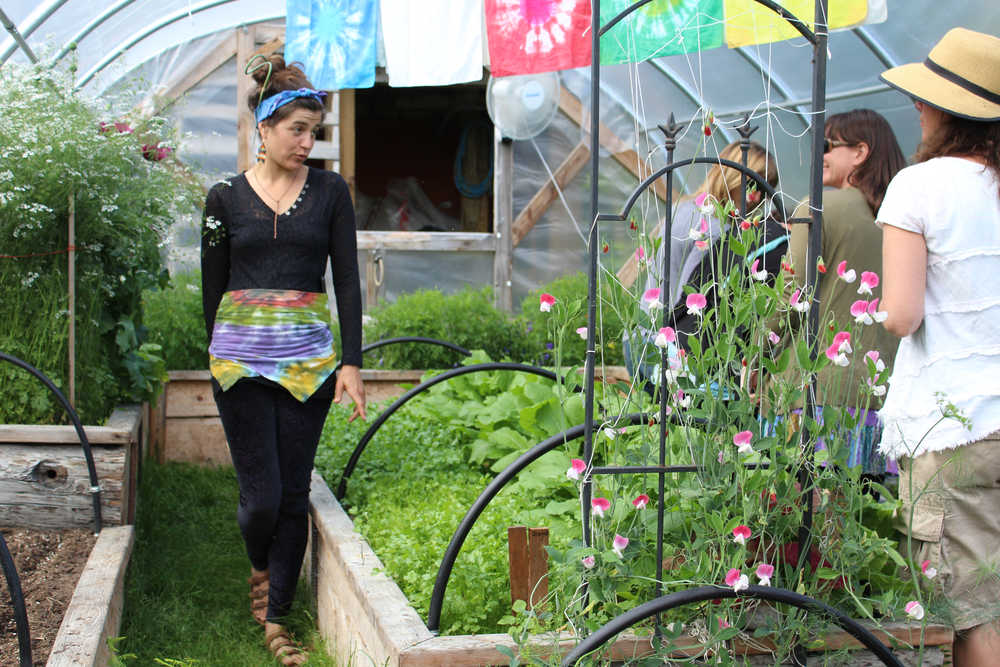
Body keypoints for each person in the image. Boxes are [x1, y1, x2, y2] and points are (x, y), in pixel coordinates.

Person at [201, 54, 366, 665]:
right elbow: (210, 286)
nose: (307, 141)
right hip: (240, 367)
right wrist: (216, 357)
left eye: (314, 131)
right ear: (264, 129)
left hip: (308, 367)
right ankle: (259, 565)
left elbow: (347, 281)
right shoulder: (221, 200)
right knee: (261, 499)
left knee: (293, 494)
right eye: (297, 129)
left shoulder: (331, 193)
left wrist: (351, 362)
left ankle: (277, 620)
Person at [876, 27, 1000, 666]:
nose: (916, 109)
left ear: (949, 112)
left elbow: (901, 315)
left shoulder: (919, 186)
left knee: (973, 613)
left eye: (926, 100)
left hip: (957, 424)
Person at [777, 109, 905, 476]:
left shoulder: (819, 207)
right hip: (881, 401)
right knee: (867, 520)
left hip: (819, 395)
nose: (822, 155)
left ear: (860, 153)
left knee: (805, 520)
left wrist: (756, 355)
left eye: (828, 145)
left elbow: (791, 296)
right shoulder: (900, 219)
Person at [626, 141, 782, 385]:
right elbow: (692, 298)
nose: (759, 197)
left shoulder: (683, 208)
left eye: (767, 187)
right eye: (754, 185)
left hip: (639, 338)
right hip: (661, 346)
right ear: (732, 179)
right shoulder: (715, 227)